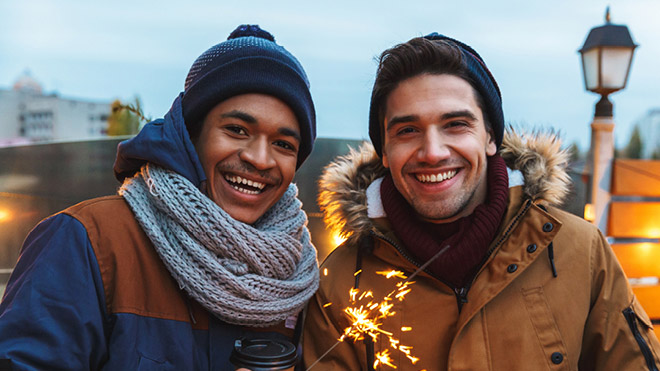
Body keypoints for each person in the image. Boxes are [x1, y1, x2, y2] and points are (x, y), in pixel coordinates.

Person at [302, 33, 660, 370]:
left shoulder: (581, 252)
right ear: (384, 151)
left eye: (456, 124)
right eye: (407, 130)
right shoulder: (342, 281)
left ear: (491, 137)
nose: (432, 152)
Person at [0, 24, 319, 370]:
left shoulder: (291, 277)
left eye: (283, 144)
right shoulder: (86, 241)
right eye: (237, 130)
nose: (260, 158)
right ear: (190, 133)